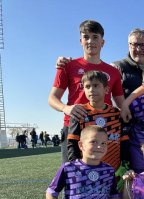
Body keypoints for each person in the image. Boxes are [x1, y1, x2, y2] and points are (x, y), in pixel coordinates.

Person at [48, 20, 124, 163]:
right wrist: (66, 108)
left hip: (103, 129)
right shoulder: (67, 66)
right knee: (72, 174)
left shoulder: (113, 71)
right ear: (80, 41)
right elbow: (52, 98)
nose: (90, 41)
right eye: (86, 37)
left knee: (105, 175)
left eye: (95, 37)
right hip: (74, 128)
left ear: (103, 42)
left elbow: (122, 104)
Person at [67, 70, 129, 171]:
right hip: (88, 170)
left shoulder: (117, 113)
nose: (91, 89)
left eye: (96, 86)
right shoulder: (79, 112)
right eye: (87, 86)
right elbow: (73, 142)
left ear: (106, 89)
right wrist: (76, 166)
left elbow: (124, 140)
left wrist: (125, 162)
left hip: (114, 170)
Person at [112, 28, 144, 98]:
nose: (138, 49)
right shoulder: (116, 68)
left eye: (143, 45)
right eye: (135, 44)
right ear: (129, 46)